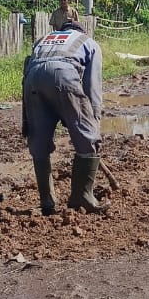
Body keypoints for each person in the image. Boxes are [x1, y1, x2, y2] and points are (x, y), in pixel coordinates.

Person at [21, 20, 104, 218]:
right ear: (81, 31)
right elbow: (92, 85)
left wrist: (26, 119)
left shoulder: (44, 39)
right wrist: (93, 121)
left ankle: (47, 201)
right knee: (86, 140)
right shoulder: (88, 42)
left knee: (39, 142)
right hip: (64, 76)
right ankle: (82, 197)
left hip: (33, 81)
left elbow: (28, 70)